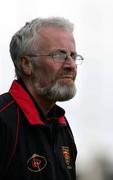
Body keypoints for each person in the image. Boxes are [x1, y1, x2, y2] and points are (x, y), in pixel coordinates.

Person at [0, 17, 84, 180]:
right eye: (59, 55)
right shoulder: (3, 119)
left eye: (73, 56)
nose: (71, 65)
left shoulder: (62, 126)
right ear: (26, 64)